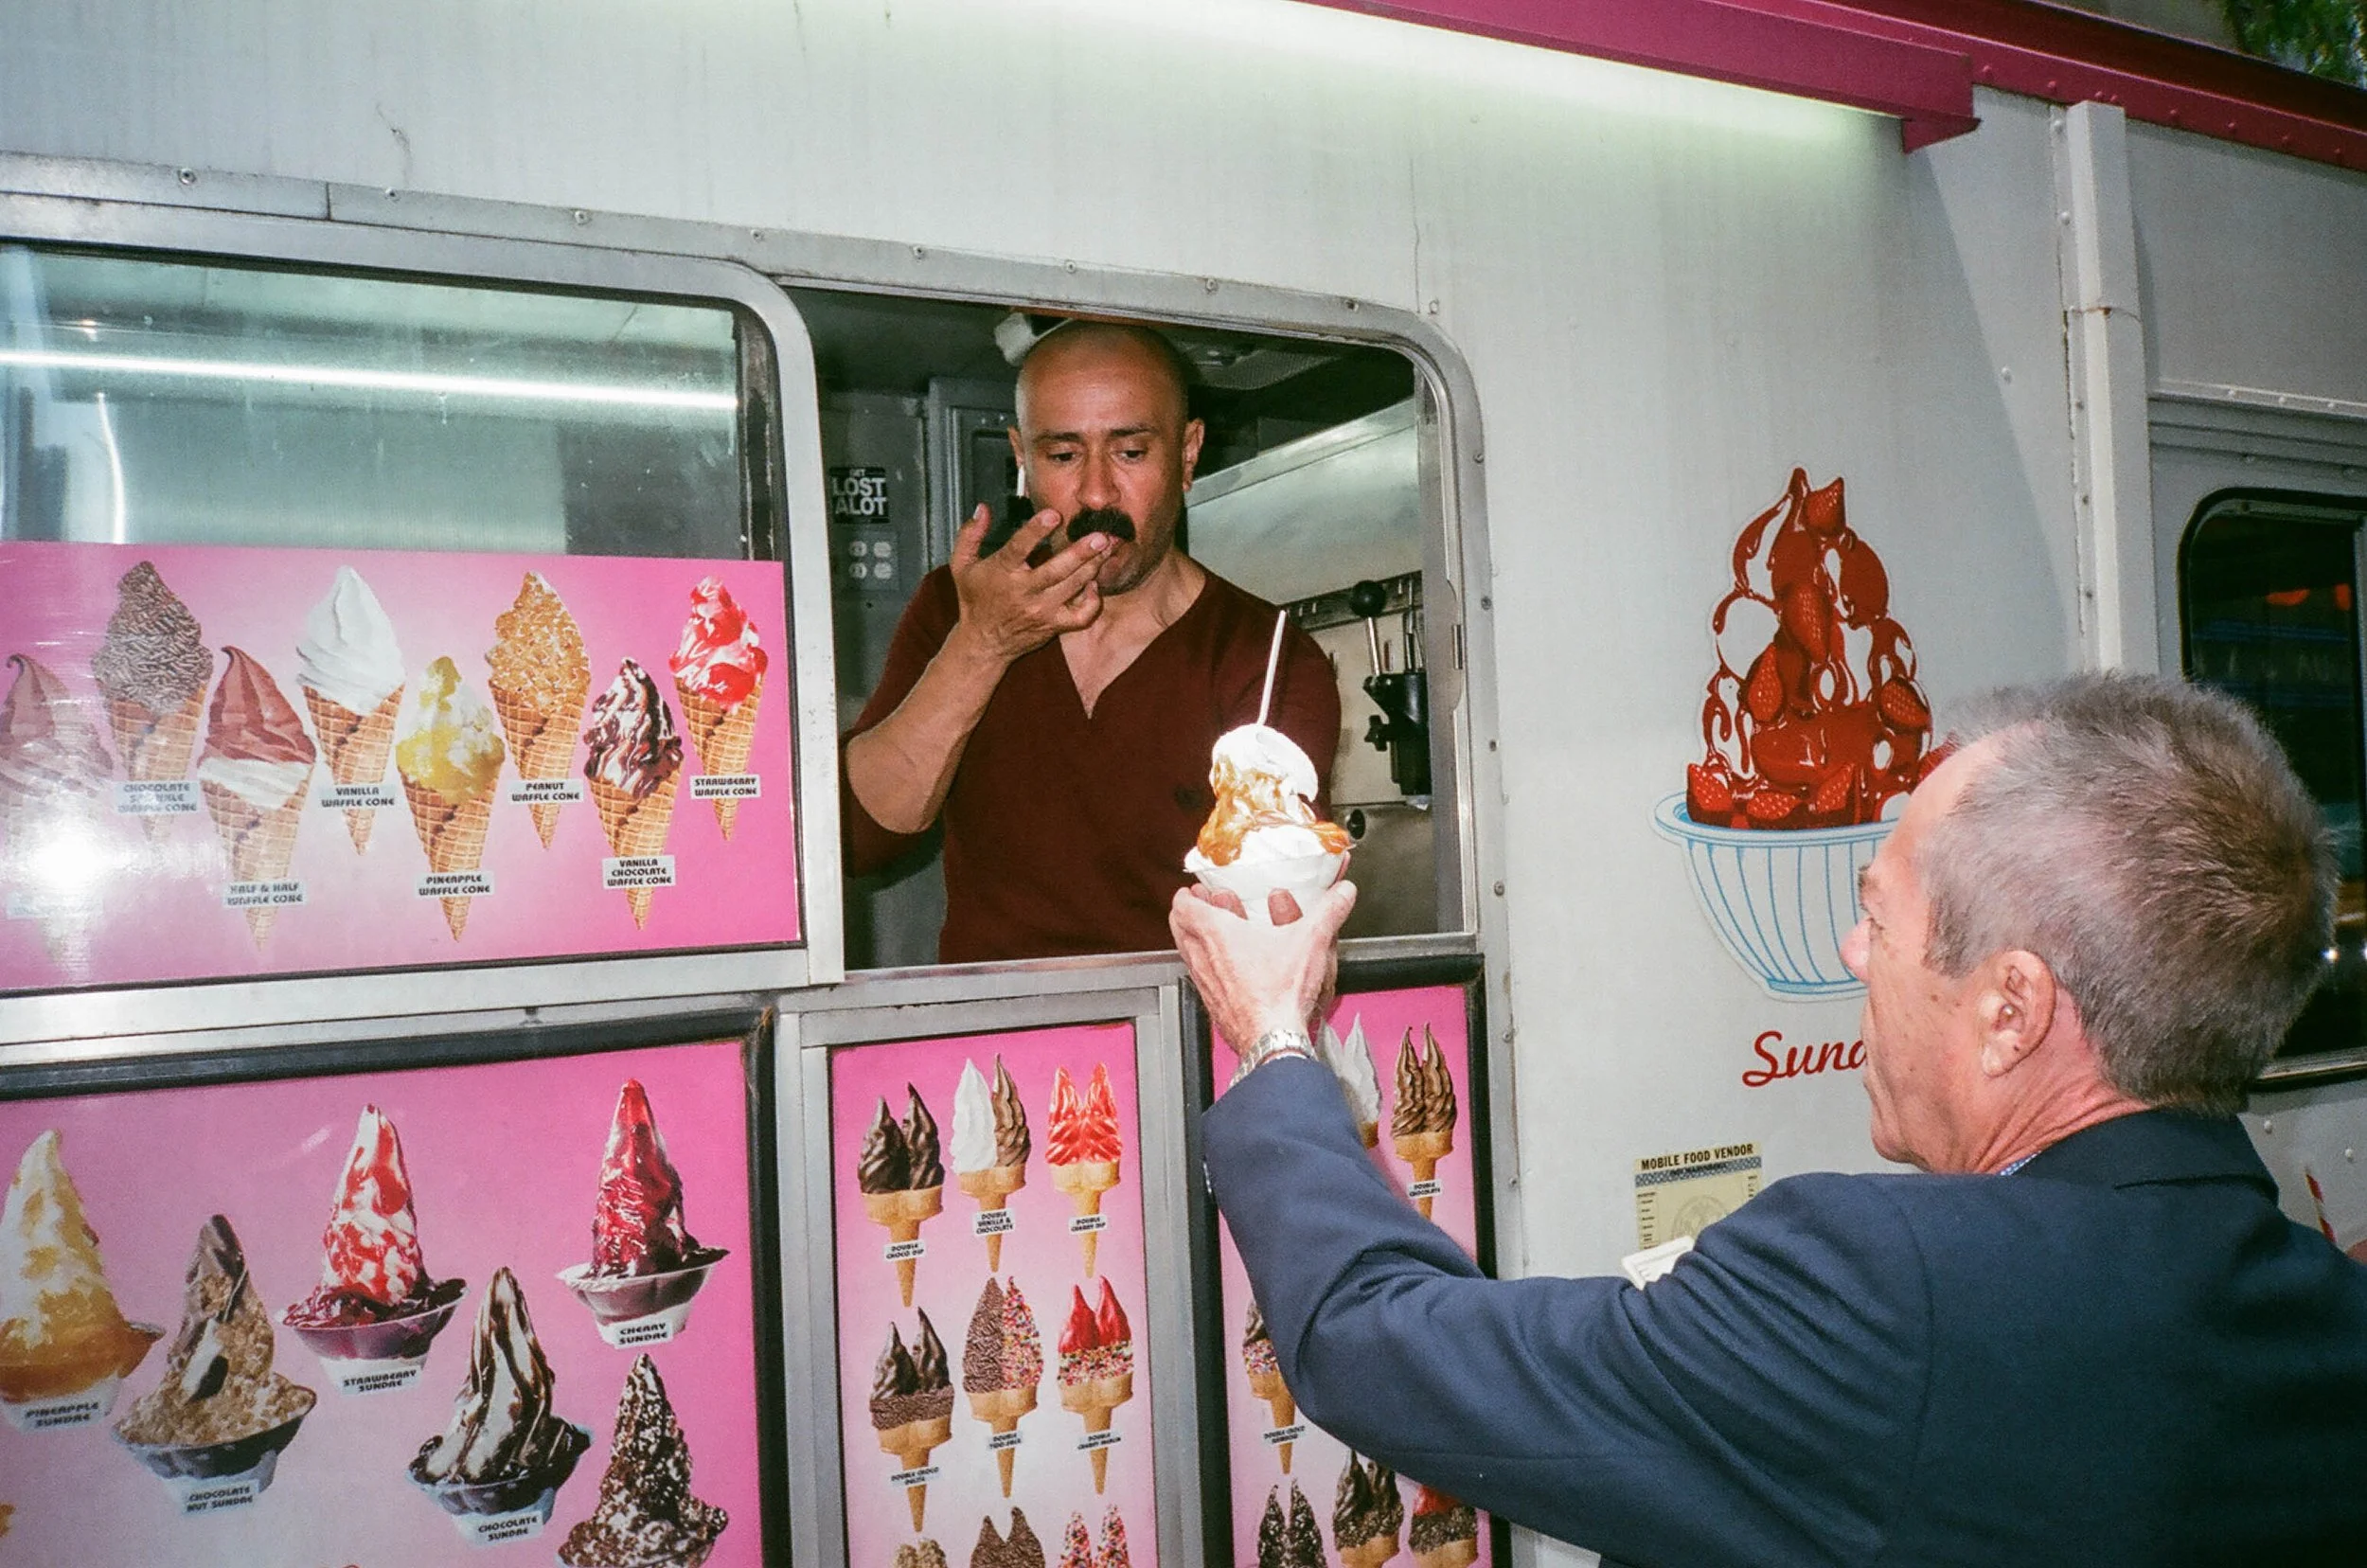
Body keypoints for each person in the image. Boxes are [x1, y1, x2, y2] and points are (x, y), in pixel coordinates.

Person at [1175, 673, 2367, 1566]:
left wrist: (1274, 1035)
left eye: (1877, 916)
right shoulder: (2326, 1318)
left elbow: (1379, 1346)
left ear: (2011, 1010)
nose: (1855, 952)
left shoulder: (1887, 1293)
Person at [843, 320, 1340, 963]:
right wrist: (983, 645)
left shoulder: (1265, 654)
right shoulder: (958, 606)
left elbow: (1283, 913)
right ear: (1021, 459)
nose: (1098, 492)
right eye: (1063, 456)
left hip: (1184, 1031)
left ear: (1188, 455)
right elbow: (860, 840)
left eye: (1131, 453)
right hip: (995, 1037)